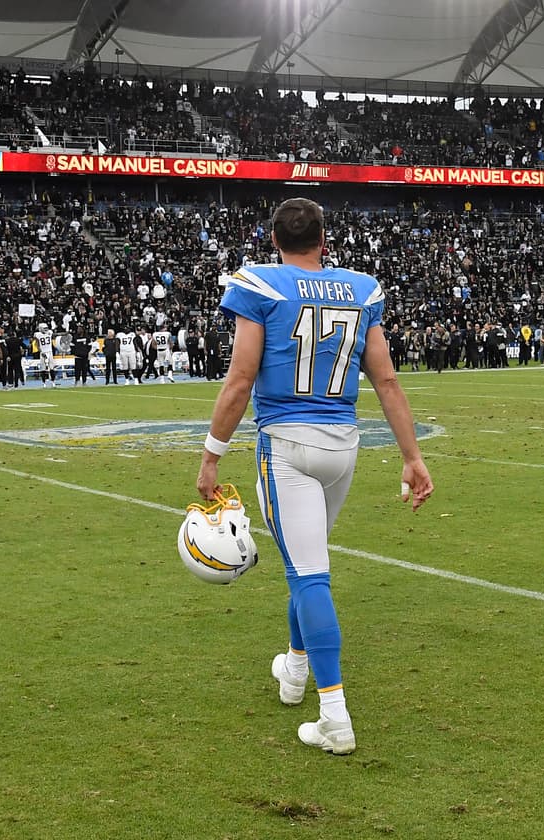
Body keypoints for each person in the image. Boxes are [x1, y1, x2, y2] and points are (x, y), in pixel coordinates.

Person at [195, 198, 434, 755]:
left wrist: (211, 455)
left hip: (286, 445)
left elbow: (241, 379)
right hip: (343, 447)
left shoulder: (260, 283)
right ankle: (295, 670)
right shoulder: (360, 287)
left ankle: (335, 715)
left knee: (308, 577)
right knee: (309, 565)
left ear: (273, 240)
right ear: (324, 240)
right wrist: (411, 455)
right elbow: (388, 381)